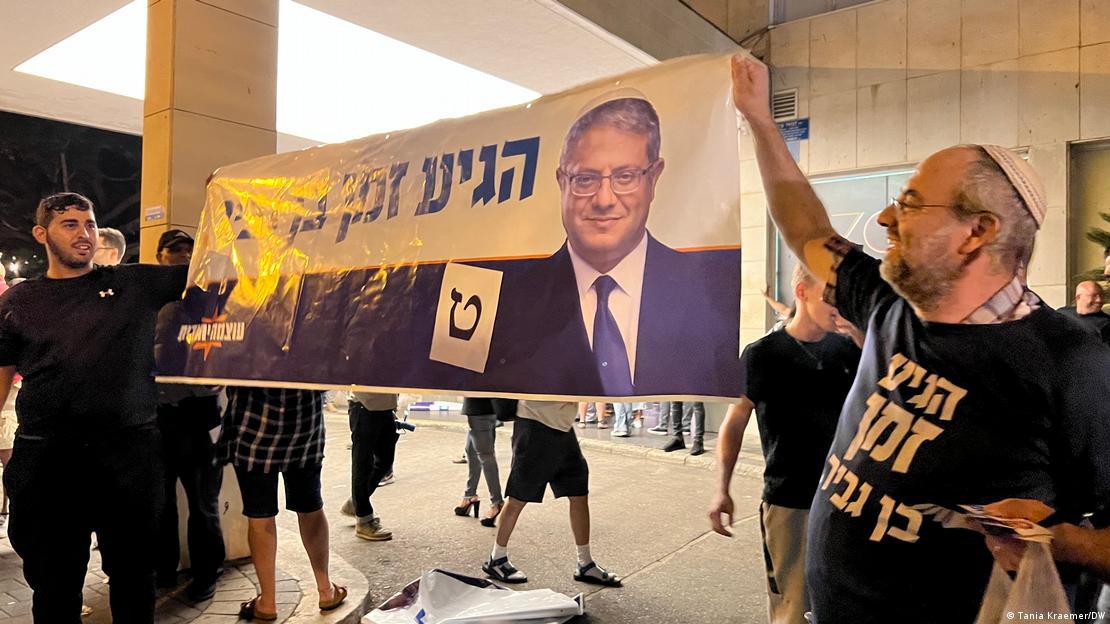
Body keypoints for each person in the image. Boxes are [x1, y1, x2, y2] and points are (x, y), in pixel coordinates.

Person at [731, 54, 1110, 623]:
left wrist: (1060, 542)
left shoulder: (1069, 362)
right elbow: (807, 229)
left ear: (977, 232)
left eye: (908, 202)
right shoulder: (890, 304)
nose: (884, 217)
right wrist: (760, 120)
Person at [0, 192, 187, 622]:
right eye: (70, 225)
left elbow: (210, 271)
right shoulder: (18, 302)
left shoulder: (133, 284)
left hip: (128, 458)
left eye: (89, 224)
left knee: (135, 577)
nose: (84, 234)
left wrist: (222, 206)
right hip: (47, 462)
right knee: (54, 584)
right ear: (41, 234)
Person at [487, 93, 741, 397]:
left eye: (625, 176)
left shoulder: (708, 289)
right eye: (585, 179)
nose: (605, 200)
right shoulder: (511, 300)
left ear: (654, 178)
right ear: (561, 182)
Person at [709, 265, 861, 624]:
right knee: (793, 605)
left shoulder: (850, 349)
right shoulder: (763, 353)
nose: (839, 304)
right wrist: (722, 489)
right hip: (790, 500)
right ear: (802, 291)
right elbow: (735, 421)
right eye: (831, 293)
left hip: (848, 498)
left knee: (846, 600)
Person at [221, 387, 346, 619]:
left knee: (260, 518)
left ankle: (267, 602)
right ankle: (326, 590)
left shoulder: (246, 347)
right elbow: (328, 372)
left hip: (252, 426)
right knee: (310, 508)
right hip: (304, 424)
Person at [152, 229, 226, 601]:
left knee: (202, 503)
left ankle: (207, 574)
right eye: (173, 250)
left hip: (198, 417)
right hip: (157, 417)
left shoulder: (211, 298)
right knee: (159, 502)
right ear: (159, 256)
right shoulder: (148, 298)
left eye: (188, 250)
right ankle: (163, 571)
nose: (182, 256)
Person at [482, 400, 621, 587]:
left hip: (562, 426)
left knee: (578, 492)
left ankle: (585, 563)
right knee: (518, 497)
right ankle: (496, 559)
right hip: (535, 423)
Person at [340, 392, 398, 541]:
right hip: (364, 407)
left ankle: (356, 502)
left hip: (386, 408)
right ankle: (364, 519)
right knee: (363, 465)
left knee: (385, 461)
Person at [455, 398, 514, 527]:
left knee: (485, 455)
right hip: (489, 407)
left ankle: (497, 502)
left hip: (479, 408)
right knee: (471, 451)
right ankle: (469, 495)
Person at [1058, 280, 1110, 345]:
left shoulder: (1106, 324)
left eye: (1101, 295)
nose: (1099, 300)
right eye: (1094, 296)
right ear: (1079, 297)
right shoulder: (1062, 313)